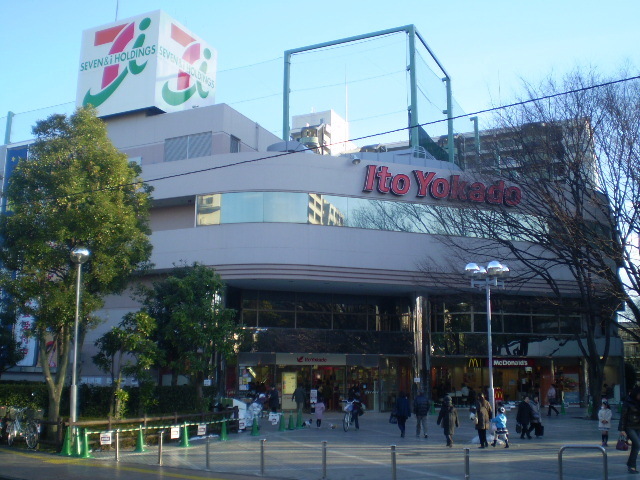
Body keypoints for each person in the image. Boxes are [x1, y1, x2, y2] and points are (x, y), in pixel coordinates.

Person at [619, 386, 640, 474]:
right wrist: (622, 429)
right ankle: (631, 465)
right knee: (637, 444)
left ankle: (631, 465)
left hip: (638, 426)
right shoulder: (628, 402)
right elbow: (623, 416)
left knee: (636, 446)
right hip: (629, 426)